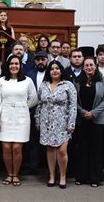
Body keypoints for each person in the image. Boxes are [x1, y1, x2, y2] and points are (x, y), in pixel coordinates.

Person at [0, 55, 38, 186]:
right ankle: (9, 174)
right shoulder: (1, 81)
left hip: (21, 117)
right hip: (5, 116)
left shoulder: (27, 81)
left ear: (20, 65)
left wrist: (22, 106)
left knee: (17, 148)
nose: (14, 66)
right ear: (8, 65)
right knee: (6, 148)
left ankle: (16, 175)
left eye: (16, 64)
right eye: (11, 63)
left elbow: (34, 99)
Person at [35, 60, 77, 189]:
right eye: (52, 68)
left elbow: (73, 106)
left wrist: (71, 123)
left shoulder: (68, 85)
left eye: (57, 68)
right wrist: (37, 119)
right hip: (46, 122)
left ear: (61, 70)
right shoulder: (44, 85)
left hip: (62, 123)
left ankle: (63, 176)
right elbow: (39, 104)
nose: (54, 70)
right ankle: (52, 176)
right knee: (50, 149)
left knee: (62, 150)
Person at [74, 57, 104, 187]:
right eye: (86, 65)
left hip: (98, 120)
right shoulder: (77, 81)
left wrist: (93, 113)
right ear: (83, 68)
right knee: (82, 149)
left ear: (95, 67)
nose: (89, 67)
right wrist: (84, 113)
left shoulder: (103, 81)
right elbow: (74, 101)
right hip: (82, 120)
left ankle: (95, 178)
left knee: (96, 149)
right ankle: (82, 176)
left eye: (91, 65)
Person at [22, 50, 49, 176]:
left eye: (43, 59)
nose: (40, 62)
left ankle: (48, 167)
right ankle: (31, 166)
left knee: (48, 140)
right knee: (31, 140)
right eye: (38, 60)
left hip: (49, 112)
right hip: (31, 111)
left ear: (47, 60)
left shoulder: (52, 73)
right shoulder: (28, 74)